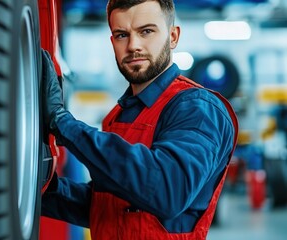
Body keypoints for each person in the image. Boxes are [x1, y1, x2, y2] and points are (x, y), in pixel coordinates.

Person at [41, 0, 238, 239]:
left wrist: (64, 124)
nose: (133, 45)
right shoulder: (119, 116)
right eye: (122, 35)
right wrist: (39, 188)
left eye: (146, 31)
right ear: (113, 42)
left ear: (173, 36)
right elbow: (113, 209)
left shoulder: (198, 108)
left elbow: (167, 190)